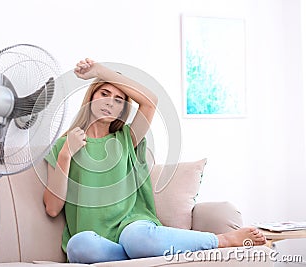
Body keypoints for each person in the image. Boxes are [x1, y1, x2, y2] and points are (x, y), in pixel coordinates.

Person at [43, 58, 266, 264]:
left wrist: (100, 71)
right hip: (96, 240)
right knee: (78, 246)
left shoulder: (127, 139)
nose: (110, 102)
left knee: (135, 239)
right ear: (91, 97)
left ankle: (222, 240)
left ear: (123, 109)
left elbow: (151, 101)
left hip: (133, 228)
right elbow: (52, 209)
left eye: (118, 99)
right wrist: (66, 154)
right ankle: (140, 257)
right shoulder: (65, 145)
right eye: (104, 93)